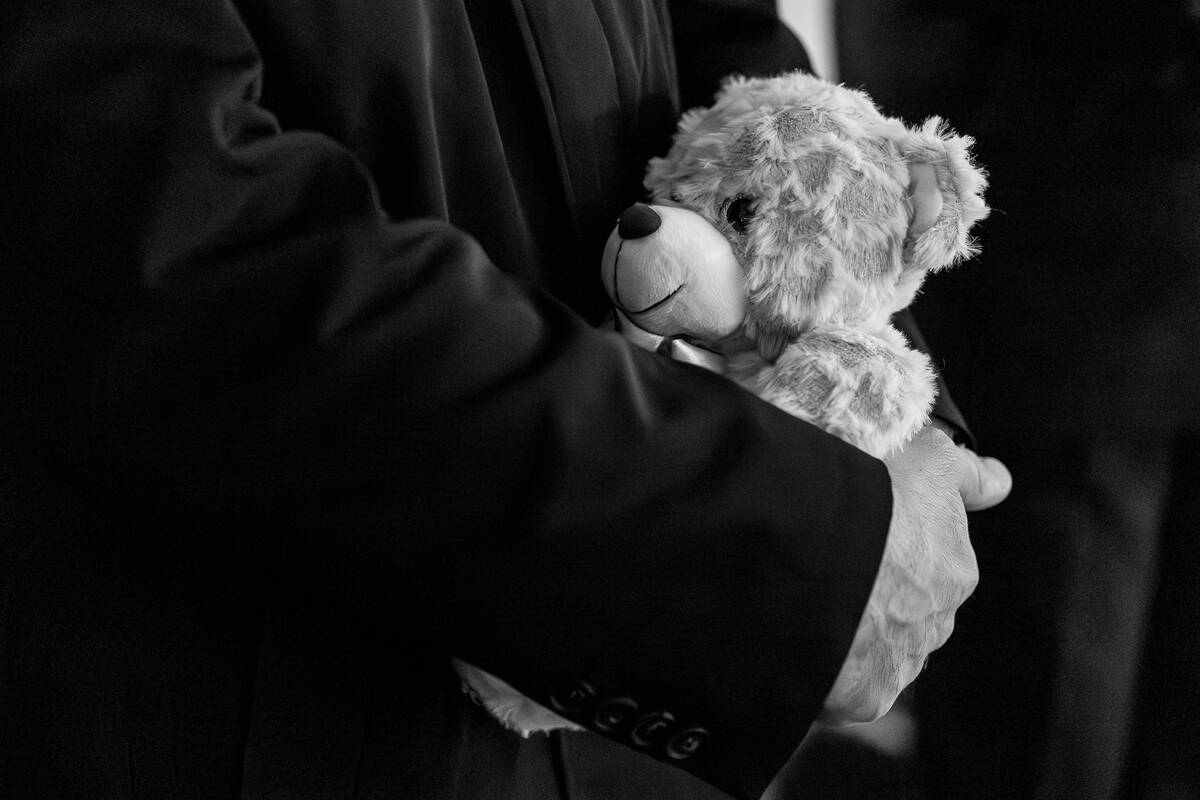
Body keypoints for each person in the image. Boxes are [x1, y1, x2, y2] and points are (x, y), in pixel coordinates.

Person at [0, 1, 1009, 798]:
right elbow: (170, 239)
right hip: (268, 704)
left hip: (645, 717)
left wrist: (876, 411)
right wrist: (786, 537)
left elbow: (725, 41)